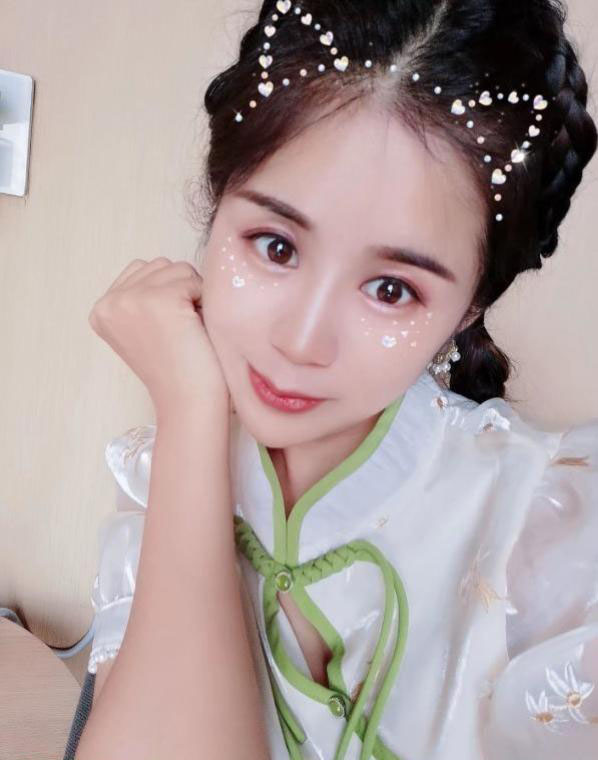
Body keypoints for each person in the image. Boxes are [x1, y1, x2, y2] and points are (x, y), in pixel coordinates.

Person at [64, 0, 598, 758]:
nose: (301, 341)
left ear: (468, 307)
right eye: (275, 246)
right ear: (216, 210)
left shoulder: (550, 525)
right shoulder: (165, 467)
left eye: (391, 289)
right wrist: (188, 408)